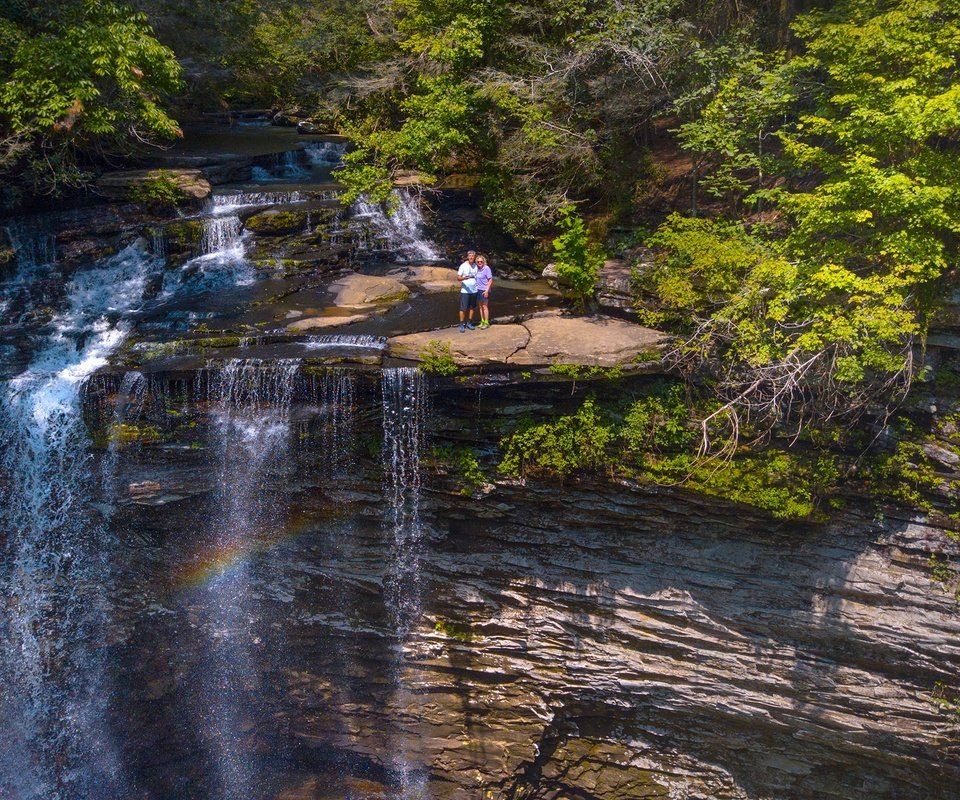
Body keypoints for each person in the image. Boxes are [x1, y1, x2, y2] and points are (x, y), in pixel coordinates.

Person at [457, 250, 478, 332]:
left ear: (474, 257)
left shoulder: (476, 266)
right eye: (470, 256)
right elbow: (458, 278)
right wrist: (463, 278)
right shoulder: (463, 266)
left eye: (473, 256)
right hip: (465, 291)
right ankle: (461, 323)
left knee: (472, 308)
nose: (471, 257)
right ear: (467, 257)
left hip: (474, 290)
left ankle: (469, 322)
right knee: (463, 308)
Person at [475, 254, 493, 328]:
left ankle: (486, 322)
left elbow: (490, 280)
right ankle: (482, 321)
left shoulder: (486, 268)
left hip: (484, 290)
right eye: (478, 261)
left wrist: (486, 291)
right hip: (478, 290)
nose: (479, 263)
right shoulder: (477, 269)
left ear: (483, 261)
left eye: (481, 261)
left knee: (485, 306)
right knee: (480, 306)